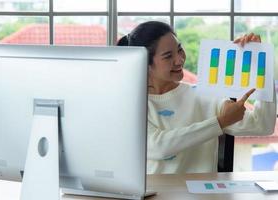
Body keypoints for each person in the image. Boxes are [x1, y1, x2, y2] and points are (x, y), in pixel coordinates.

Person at [117, 21, 277, 174]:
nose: (179, 60)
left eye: (179, 49)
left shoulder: (203, 96)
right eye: (168, 56)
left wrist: (262, 65)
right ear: (146, 63)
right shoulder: (132, 104)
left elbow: (262, 125)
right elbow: (158, 147)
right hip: (156, 193)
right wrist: (220, 122)